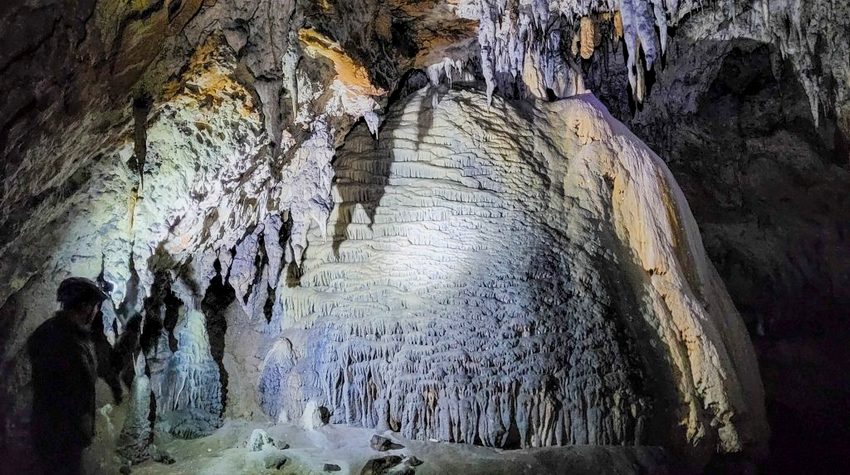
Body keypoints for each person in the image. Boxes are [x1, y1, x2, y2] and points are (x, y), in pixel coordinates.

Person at [27, 277, 109, 475]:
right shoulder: (64, 341)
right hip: (60, 435)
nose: (96, 312)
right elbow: (66, 391)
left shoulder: (58, 334)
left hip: (60, 433)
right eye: (95, 306)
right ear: (85, 306)